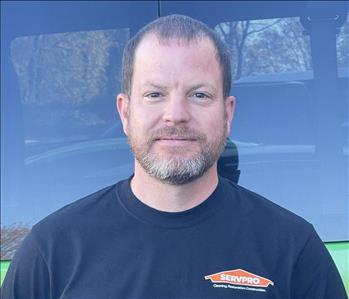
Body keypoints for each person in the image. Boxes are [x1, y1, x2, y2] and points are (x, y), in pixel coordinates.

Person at [1, 14, 347, 299]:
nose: (175, 114)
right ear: (124, 112)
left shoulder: (294, 251)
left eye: (199, 94)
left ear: (228, 114)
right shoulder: (50, 253)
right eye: (154, 94)